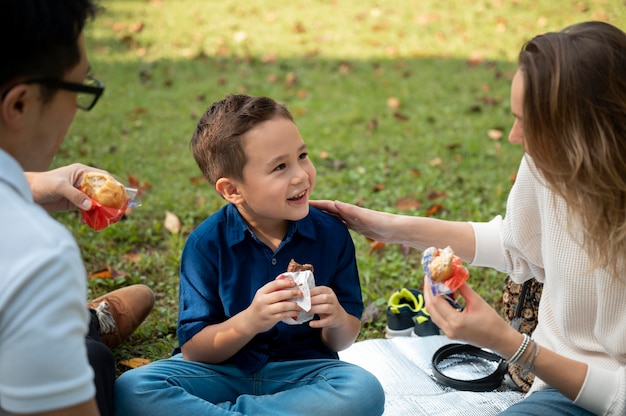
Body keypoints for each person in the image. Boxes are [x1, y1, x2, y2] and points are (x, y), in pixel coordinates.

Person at [312, 21, 626, 416]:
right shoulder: (548, 164)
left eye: (529, 123)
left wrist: (511, 344)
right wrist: (390, 227)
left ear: (587, 136)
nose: (514, 136)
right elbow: (516, 245)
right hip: (560, 392)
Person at [113, 94, 385, 416]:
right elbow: (195, 349)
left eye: (302, 156)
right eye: (280, 167)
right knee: (133, 388)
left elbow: (342, 339)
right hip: (222, 372)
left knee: (364, 391)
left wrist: (336, 317)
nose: (300, 175)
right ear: (232, 190)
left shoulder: (331, 234)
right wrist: (251, 320)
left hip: (303, 373)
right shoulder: (206, 245)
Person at [0, 2, 154, 415]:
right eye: (80, 89)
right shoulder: (36, 253)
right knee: (94, 361)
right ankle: (79, 324)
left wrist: (27, 186)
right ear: (19, 105)